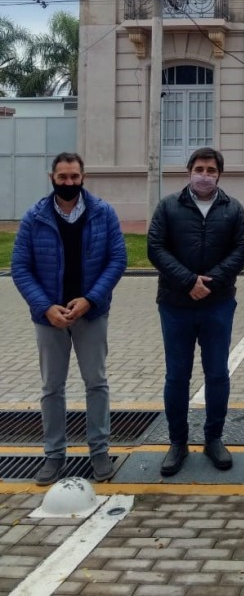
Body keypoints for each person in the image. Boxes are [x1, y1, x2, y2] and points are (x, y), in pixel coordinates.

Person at [11, 152, 127, 485]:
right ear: (52, 177)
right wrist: (45, 306)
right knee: (51, 388)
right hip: (49, 317)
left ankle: (100, 452)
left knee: (97, 383)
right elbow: (20, 267)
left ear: (83, 176)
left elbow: (117, 260)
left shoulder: (103, 213)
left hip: (90, 314)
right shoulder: (35, 217)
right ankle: (54, 455)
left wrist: (90, 300)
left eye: (74, 177)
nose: (68, 183)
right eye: (62, 177)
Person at [147, 146, 244, 477]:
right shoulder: (168, 207)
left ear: (219, 174)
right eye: (199, 168)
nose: (204, 175)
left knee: (217, 373)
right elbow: (155, 247)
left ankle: (214, 438)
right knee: (177, 375)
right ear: (188, 171)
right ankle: (178, 442)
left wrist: (213, 281)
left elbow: (243, 249)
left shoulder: (232, 209)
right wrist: (188, 281)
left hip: (217, 304)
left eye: (210, 169)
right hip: (175, 304)